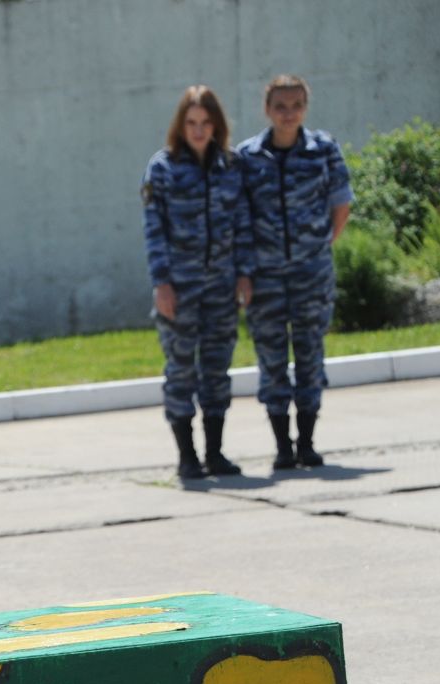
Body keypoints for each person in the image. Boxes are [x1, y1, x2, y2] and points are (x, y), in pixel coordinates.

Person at [236, 75, 351, 469]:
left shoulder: (323, 149)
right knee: (271, 359)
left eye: (297, 105)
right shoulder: (247, 157)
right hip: (265, 276)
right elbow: (239, 217)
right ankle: (282, 446)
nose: (289, 114)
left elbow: (341, 203)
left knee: (309, 356)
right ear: (267, 110)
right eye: (281, 106)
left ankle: (307, 442)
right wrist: (244, 272)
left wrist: (319, 246)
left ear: (306, 107)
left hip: (311, 273)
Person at [141, 85, 253, 480]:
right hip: (180, 287)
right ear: (180, 126)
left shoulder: (231, 167)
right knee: (181, 370)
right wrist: (162, 283)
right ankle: (187, 457)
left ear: (217, 125)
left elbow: (242, 225)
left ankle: (215, 453)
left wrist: (243, 274)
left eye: (206, 123)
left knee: (217, 371)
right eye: (191, 123)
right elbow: (154, 231)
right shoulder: (163, 167)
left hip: (221, 287)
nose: (199, 130)